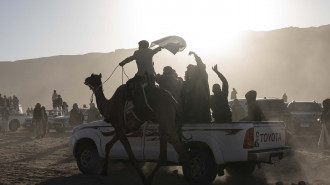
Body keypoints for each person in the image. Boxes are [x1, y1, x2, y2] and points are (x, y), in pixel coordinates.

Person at [181, 51, 211, 123]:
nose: (188, 71)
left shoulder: (201, 80)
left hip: (202, 113)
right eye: (187, 70)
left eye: (190, 69)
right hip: (188, 115)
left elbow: (201, 66)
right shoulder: (185, 84)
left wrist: (195, 55)